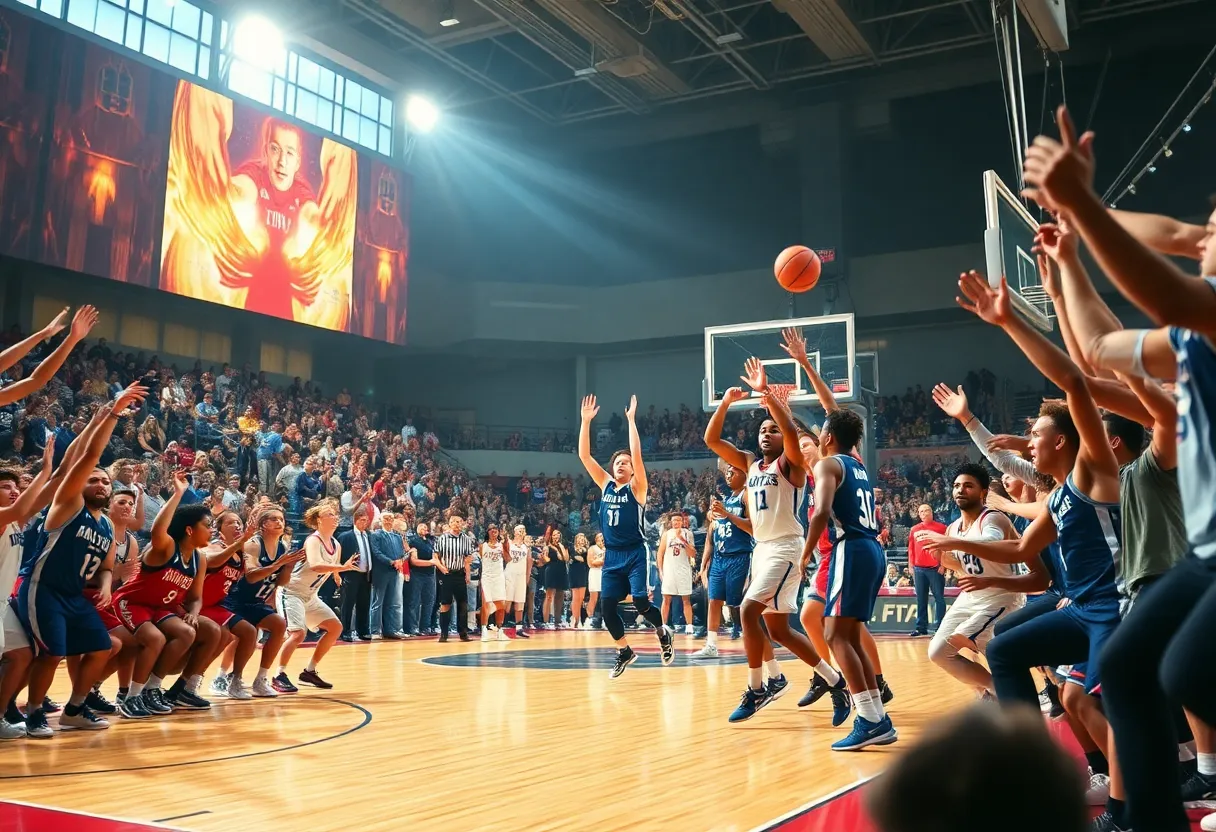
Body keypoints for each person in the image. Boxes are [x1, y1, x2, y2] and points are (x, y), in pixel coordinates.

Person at [1018, 104, 1216, 832]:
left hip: (1194, 558)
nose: (1204, 237)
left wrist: (1080, 206)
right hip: (1204, 555)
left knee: (1187, 671)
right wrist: (1070, 256)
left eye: (1215, 233)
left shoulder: (1205, 315)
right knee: (1134, 669)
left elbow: (1161, 283)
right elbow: (1097, 349)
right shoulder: (1192, 341)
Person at [928, 270, 1122, 780]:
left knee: (1097, 699)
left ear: (1062, 441)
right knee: (1007, 650)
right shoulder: (1056, 495)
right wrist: (952, 538)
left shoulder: (1092, 474)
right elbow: (1020, 553)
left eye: (1035, 433)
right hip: (1082, 605)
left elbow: (1074, 385)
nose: (1025, 440)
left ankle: (1149, 789)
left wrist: (1016, 318)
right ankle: (1035, 768)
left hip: (1117, 606)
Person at [704, 365, 847, 725]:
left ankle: (758, 687)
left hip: (785, 547)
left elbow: (787, 427)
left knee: (747, 611)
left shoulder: (792, 465)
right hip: (762, 548)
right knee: (779, 629)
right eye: (762, 430)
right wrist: (724, 404)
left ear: (784, 440)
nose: (767, 434)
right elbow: (712, 440)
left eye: (772, 430)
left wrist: (770, 399)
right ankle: (835, 681)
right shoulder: (750, 464)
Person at [17, 382, 147, 738]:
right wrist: (112, 414)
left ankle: (75, 708)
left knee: (102, 645)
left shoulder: (105, 523)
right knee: (51, 653)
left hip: (75, 595)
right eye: (95, 480)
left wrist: (107, 583)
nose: (102, 484)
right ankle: (33, 712)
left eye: (106, 481)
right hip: (42, 588)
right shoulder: (68, 505)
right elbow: (85, 457)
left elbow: (106, 565)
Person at [804, 404, 894, 750]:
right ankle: (874, 715)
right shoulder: (857, 464)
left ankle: (870, 719)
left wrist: (805, 552)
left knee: (835, 635)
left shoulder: (828, 463)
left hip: (850, 549)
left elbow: (822, 511)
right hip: (871, 549)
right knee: (849, 635)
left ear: (826, 437)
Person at [915, 464, 1040, 697]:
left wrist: (950, 544)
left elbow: (989, 543)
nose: (960, 490)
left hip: (1002, 596)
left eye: (968, 486)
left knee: (972, 639)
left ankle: (1018, 689)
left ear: (983, 492)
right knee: (938, 653)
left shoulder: (992, 518)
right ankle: (994, 690)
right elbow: (962, 565)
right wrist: (941, 556)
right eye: (956, 486)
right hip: (971, 597)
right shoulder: (953, 528)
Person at [577, 394, 674, 678]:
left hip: (634, 552)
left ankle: (662, 630)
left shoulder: (637, 488)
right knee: (607, 610)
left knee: (641, 602)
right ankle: (625, 651)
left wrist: (631, 421)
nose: (621, 464)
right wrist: (585, 423)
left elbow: (638, 455)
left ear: (632, 470)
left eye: (626, 463)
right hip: (613, 555)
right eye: (618, 462)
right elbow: (584, 456)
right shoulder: (606, 485)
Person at [112, 470, 222, 713]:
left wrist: (193, 612)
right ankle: (131, 697)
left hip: (160, 608)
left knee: (192, 631)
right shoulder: (166, 547)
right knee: (156, 638)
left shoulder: (199, 559)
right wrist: (178, 494)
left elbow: (195, 598)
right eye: (207, 526)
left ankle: (156, 689)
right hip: (133, 602)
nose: (211, 531)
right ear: (190, 530)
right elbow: (157, 530)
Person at [0, 446, 58, 740]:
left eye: (14, 486)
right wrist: (46, 469)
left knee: (22, 654)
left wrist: (71, 461)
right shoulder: (3, 516)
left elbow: (46, 496)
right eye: (5, 486)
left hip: (2, 603)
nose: (13, 490)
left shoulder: (15, 519)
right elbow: (25, 505)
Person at [222, 505, 303, 695]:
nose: (279, 522)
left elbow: (280, 582)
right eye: (274, 519)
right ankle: (234, 680)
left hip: (256, 602)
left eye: (282, 519)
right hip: (236, 600)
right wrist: (278, 564)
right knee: (247, 634)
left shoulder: (283, 547)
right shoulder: (254, 543)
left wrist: (288, 567)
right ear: (263, 524)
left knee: (279, 624)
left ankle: (260, 679)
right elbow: (251, 576)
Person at [276, 499, 353, 689]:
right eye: (329, 514)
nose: (335, 517)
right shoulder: (313, 540)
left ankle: (309, 672)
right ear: (318, 520)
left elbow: (331, 563)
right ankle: (279, 675)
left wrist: (336, 574)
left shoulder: (336, 543)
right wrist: (341, 567)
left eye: (335, 514)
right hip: (291, 592)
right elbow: (316, 564)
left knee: (335, 628)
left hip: (310, 596)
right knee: (298, 634)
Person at [198, 511, 270, 700]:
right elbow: (211, 561)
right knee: (220, 636)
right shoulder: (212, 547)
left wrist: (278, 565)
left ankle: (234, 680)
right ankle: (193, 680)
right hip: (197, 605)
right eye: (230, 523)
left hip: (217, 605)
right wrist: (241, 542)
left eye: (239, 522)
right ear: (219, 529)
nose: (237, 526)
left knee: (249, 632)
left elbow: (252, 575)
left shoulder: (240, 554)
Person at [693, 462, 752, 660]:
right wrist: (704, 563)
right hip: (719, 557)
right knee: (714, 600)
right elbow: (712, 534)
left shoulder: (746, 495)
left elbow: (752, 527)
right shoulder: (724, 500)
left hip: (740, 555)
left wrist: (727, 514)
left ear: (745, 474)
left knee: (737, 602)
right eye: (727, 472)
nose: (728, 474)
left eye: (733, 471)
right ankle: (711, 644)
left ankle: (747, 635)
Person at [907, 504, 948, 637]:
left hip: (935, 568)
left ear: (931, 512)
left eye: (926, 510)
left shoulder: (942, 528)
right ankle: (921, 627)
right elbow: (911, 548)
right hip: (919, 569)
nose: (924, 513)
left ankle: (940, 627)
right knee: (921, 599)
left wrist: (944, 565)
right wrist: (911, 565)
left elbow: (946, 547)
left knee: (939, 598)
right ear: (919, 514)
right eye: (921, 511)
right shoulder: (914, 529)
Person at [337, 508, 374, 642]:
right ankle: (345, 631)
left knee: (364, 604)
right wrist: (339, 574)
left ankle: (363, 631)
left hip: (367, 574)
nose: (365, 523)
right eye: (362, 520)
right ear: (355, 520)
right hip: (351, 574)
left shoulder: (369, 535)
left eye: (367, 520)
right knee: (348, 604)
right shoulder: (345, 536)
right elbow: (338, 557)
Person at [657, 513, 695, 635]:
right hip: (669, 570)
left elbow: (693, 553)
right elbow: (660, 554)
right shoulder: (666, 535)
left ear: (682, 521)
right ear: (671, 522)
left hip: (683, 570)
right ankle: (663, 625)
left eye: (678, 520)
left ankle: (689, 625)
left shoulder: (688, 534)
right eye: (674, 520)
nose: (676, 522)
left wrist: (682, 540)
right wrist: (661, 571)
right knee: (666, 599)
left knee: (686, 600)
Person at [479, 525, 509, 642]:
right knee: (486, 604)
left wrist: (506, 545)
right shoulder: (483, 546)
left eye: (495, 528)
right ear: (487, 532)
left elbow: (508, 559)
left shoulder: (501, 545)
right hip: (487, 577)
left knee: (501, 604)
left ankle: (499, 630)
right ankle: (484, 631)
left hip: (499, 577)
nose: (493, 530)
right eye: (490, 528)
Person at [503, 525, 531, 638]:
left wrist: (527, 577)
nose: (521, 532)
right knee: (507, 601)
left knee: (520, 602)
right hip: (510, 574)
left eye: (523, 530)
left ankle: (519, 628)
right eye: (519, 530)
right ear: (514, 532)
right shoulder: (509, 543)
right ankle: (502, 626)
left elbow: (529, 563)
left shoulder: (526, 547)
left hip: (521, 576)